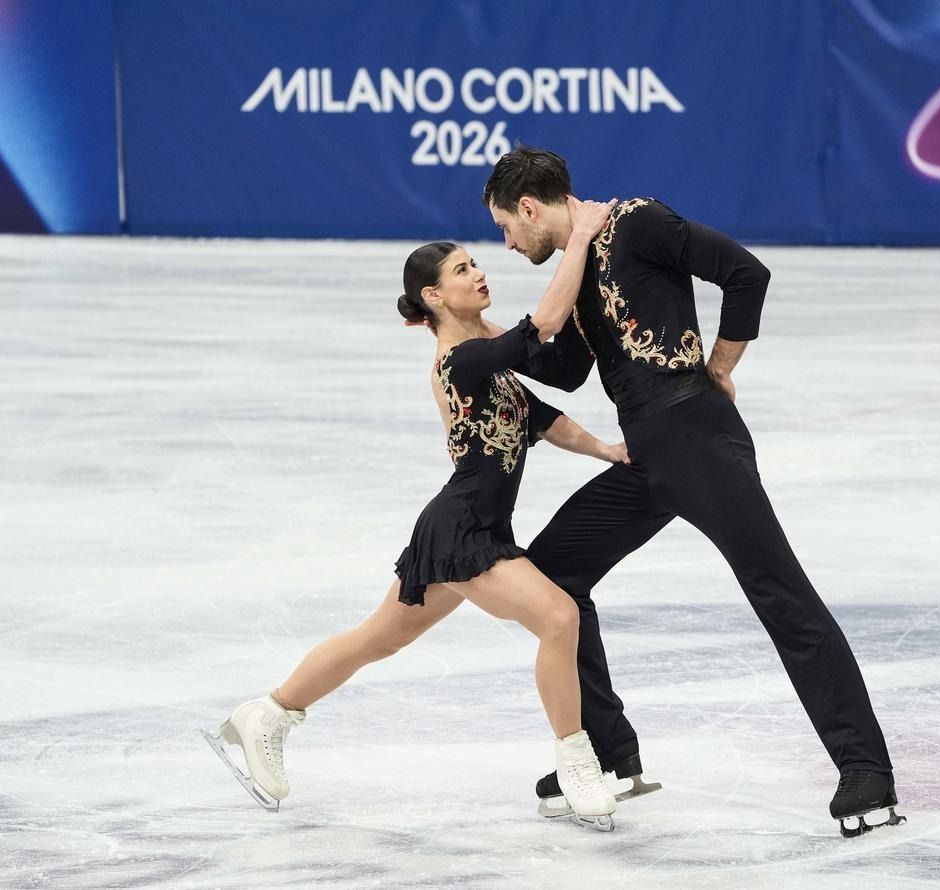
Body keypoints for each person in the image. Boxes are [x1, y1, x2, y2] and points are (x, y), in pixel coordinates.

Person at [482, 146, 904, 837]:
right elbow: (567, 369)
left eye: (505, 226)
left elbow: (746, 273)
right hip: (648, 456)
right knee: (552, 578)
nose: (506, 242)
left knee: (780, 594)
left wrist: (721, 366)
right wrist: (481, 338)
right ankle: (611, 752)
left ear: (529, 208)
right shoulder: (577, 262)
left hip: (699, 441)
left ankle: (867, 771)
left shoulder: (637, 221)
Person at [202, 198, 628, 829]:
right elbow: (541, 325)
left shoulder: (488, 357)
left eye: (475, 264)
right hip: (463, 531)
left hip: (468, 526)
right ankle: (576, 763)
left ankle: (265, 714)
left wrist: (607, 450)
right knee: (559, 616)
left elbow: (542, 418)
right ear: (433, 296)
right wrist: (580, 240)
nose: (478, 273)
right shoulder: (463, 359)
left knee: (378, 639)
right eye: (462, 270)